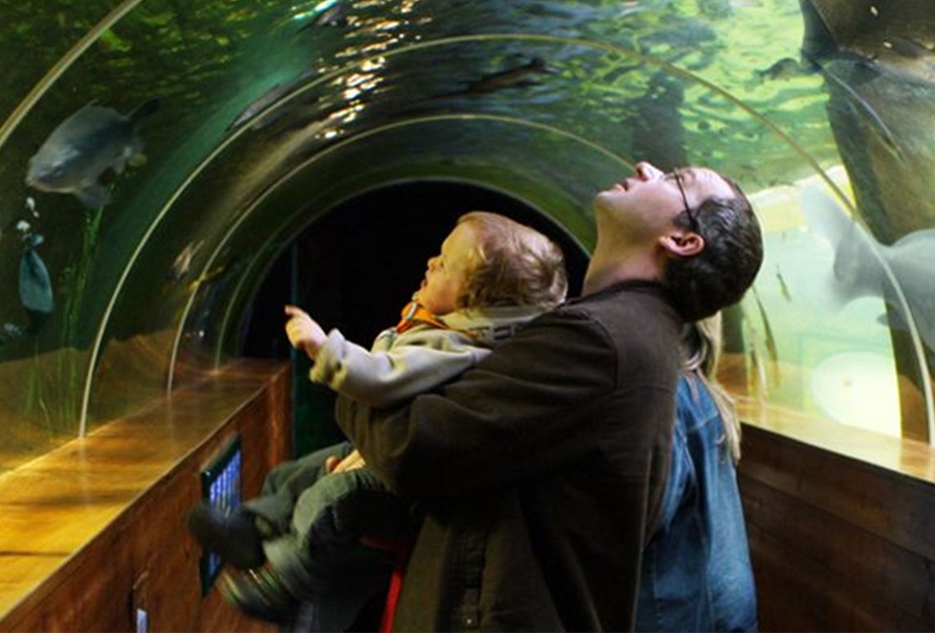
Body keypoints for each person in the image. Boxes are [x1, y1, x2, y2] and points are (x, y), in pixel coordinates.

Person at [325, 161, 764, 631]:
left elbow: (410, 446)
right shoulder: (626, 333)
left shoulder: (602, 339)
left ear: (682, 241)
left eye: (675, 180)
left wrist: (351, 374)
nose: (645, 166)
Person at [188, 211, 569, 628]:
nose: (430, 263)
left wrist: (325, 348)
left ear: (472, 299)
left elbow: (385, 379)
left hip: (407, 493)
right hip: (384, 458)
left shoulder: (458, 349)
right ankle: (252, 529)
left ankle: (285, 582)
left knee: (334, 494)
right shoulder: (446, 329)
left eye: (444, 264)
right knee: (298, 473)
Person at [635, 314, 759, 632]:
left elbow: (649, 517)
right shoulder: (707, 393)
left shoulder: (669, 401)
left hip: (680, 614)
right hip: (726, 608)